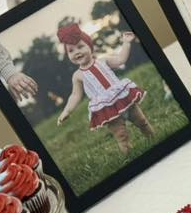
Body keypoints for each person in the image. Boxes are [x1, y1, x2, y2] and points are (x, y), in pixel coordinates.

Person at [56, 24, 154, 156]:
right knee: (121, 135)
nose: (77, 52)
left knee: (142, 121)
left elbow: (120, 60)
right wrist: (66, 111)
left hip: (123, 99)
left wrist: (126, 43)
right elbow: (75, 95)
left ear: (90, 47)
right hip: (106, 108)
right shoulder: (78, 76)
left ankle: (153, 140)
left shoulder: (103, 61)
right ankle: (130, 155)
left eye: (80, 47)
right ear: (68, 55)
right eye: (71, 50)